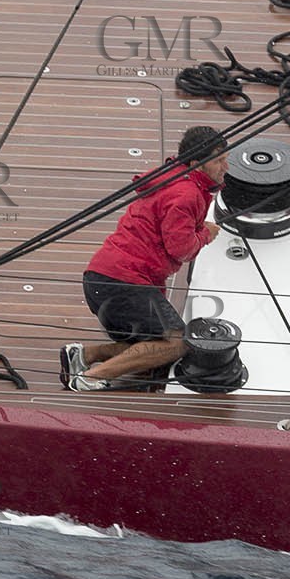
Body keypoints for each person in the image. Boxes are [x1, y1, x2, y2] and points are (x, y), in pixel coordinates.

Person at [59, 125, 228, 391]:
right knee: (176, 343)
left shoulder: (173, 178)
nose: (225, 167)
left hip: (104, 279)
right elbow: (181, 249)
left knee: (153, 346)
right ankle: (90, 378)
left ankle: (83, 356)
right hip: (123, 281)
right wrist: (205, 234)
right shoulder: (186, 194)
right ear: (196, 163)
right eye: (219, 161)